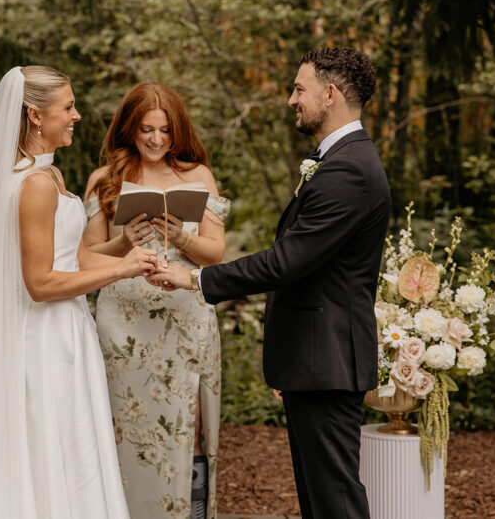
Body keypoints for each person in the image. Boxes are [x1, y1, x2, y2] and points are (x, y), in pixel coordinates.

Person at [151, 47, 390, 519]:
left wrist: (193, 277)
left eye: (299, 89)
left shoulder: (349, 170)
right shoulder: (341, 160)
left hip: (327, 362)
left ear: (331, 93)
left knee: (336, 501)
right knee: (322, 501)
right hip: (316, 360)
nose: (290, 100)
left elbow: (286, 263)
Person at [0, 66, 157, 518]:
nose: (77, 116)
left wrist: (127, 248)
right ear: (35, 116)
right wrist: (123, 270)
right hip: (41, 340)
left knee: (73, 446)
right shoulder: (35, 186)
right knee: (52, 447)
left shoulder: (51, 175)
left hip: (67, 333)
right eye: (68, 107)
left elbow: (75, 258)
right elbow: (40, 283)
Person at [82, 83, 229, 519]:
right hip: (123, 322)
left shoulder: (197, 176)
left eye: (165, 130)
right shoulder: (105, 180)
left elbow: (216, 253)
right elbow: (83, 259)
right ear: (130, 128)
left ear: (177, 131)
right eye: (146, 129)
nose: (156, 139)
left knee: (187, 430)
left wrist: (180, 235)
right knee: (122, 429)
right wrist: (123, 242)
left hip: (185, 318)